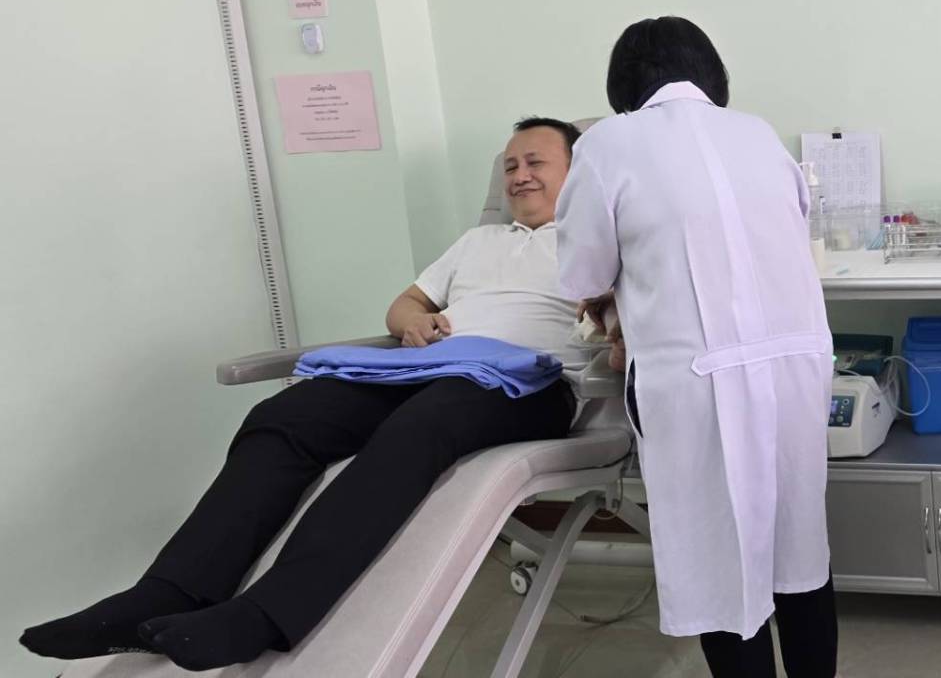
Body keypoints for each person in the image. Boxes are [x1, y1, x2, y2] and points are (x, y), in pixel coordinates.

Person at [20, 118, 595, 671]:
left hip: (530, 383)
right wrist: (412, 322)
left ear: (576, 172)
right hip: (431, 365)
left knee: (417, 428)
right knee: (286, 415)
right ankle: (169, 591)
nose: (519, 175)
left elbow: (623, 316)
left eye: (536, 163)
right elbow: (406, 304)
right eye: (510, 166)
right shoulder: (477, 241)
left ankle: (267, 614)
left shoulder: (593, 238)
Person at [555, 17, 838, 678]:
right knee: (800, 553)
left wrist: (615, 306)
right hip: (797, 372)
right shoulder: (759, 133)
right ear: (712, 75)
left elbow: (582, 274)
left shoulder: (606, 144)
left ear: (622, 85)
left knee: (719, 570)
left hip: (696, 386)